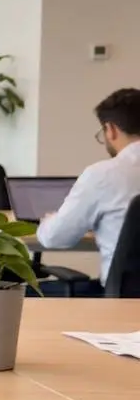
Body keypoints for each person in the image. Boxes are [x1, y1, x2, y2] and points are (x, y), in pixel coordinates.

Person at [36, 88, 140, 292]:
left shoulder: (103, 175)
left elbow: (55, 238)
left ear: (110, 129)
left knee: (27, 294)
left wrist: (48, 221)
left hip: (121, 302)